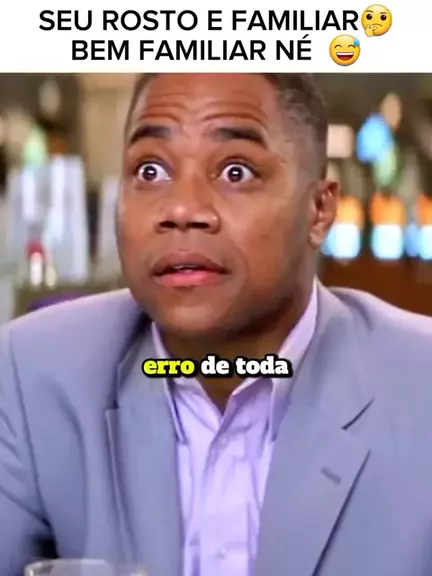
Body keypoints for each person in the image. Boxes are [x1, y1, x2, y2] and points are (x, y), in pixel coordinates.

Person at [1, 73, 432, 576]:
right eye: (150, 171)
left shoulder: (419, 387)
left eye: (235, 171)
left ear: (319, 210)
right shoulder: (30, 376)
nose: (182, 210)